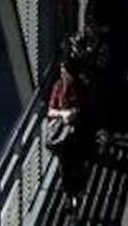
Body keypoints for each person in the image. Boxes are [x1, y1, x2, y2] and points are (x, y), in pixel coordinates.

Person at [48, 59, 89, 215]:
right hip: (64, 136)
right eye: (62, 71)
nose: (63, 74)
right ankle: (70, 198)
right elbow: (50, 110)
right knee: (65, 168)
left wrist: (74, 113)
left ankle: (77, 197)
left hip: (79, 133)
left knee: (78, 166)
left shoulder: (80, 87)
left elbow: (85, 107)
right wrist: (62, 113)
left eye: (66, 71)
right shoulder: (58, 86)